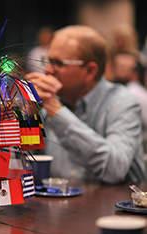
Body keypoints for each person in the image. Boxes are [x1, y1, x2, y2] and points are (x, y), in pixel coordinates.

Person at [25, 25, 146, 184]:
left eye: (58, 63)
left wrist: (56, 110)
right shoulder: (50, 101)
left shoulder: (122, 102)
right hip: (57, 205)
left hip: (112, 206)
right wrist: (28, 118)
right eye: (47, 61)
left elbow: (116, 169)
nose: (47, 70)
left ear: (90, 71)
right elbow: (26, 164)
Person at [109, 52, 147, 131]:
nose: (117, 71)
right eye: (117, 66)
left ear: (135, 73)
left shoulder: (133, 91)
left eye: (122, 67)